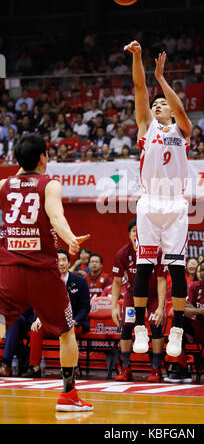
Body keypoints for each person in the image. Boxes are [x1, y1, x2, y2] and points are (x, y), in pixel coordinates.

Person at [0, 134, 93, 411]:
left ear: (17, 159)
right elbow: (56, 216)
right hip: (42, 272)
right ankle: (68, 395)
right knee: (66, 332)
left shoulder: (3, 185)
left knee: (4, 322)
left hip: (9, 270)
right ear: (44, 158)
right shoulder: (49, 185)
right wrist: (70, 238)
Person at [124, 40, 192, 358]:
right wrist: (138, 57)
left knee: (177, 271)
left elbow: (179, 110)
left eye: (161, 104)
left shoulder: (182, 130)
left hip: (176, 203)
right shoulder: (145, 127)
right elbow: (140, 88)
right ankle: (139, 326)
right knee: (144, 268)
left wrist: (163, 80)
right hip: (150, 202)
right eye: (156, 104)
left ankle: (176, 328)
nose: (157, 106)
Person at [111, 219, 167, 382]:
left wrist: (161, 307)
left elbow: (162, 280)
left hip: (154, 296)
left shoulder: (157, 253)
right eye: (134, 230)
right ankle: (126, 368)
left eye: (140, 230)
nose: (137, 233)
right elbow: (116, 281)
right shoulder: (122, 253)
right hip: (132, 295)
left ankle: (156, 369)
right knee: (127, 329)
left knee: (156, 329)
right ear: (130, 234)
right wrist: (114, 306)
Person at [22, 248, 91, 378]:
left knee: (67, 332)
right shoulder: (46, 281)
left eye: (64, 260)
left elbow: (85, 307)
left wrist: (75, 320)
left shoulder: (80, 281)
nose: (61, 263)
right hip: (52, 322)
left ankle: (67, 370)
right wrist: (38, 318)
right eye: (58, 260)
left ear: (69, 263)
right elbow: (39, 305)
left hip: (75, 322)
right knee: (36, 329)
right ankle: (35, 367)